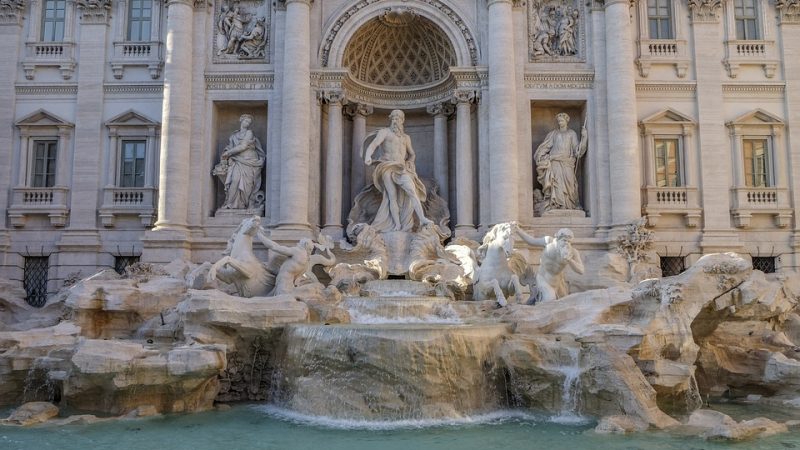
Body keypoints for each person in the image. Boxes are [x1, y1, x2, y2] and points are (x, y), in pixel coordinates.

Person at [362, 109, 433, 232]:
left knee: (412, 191)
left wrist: (410, 162)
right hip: (387, 166)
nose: (396, 121)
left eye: (398, 118)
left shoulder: (406, 138)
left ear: (402, 121)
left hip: (401, 168)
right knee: (392, 196)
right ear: (390, 119)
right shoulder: (384, 132)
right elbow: (373, 145)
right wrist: (368, 156)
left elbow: (412, 154)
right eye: (394, 118)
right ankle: (397, 225)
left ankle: (422, 218)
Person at [514, 225, 584, 303]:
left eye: (569, 242)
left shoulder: (573, 252)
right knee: (549, 299)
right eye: (564, 240)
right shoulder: (548, 241)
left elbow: (581, 270)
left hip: (558, 282)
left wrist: (570, 260)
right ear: (558, 239)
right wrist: (518, 231)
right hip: (543, 279)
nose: (566, 243)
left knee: (564, 304)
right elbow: (531, 241)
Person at [534, 112, 588, 211]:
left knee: (570, 183)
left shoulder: (572, 133)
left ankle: (570, 205)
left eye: (562, 120)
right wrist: (540, 155)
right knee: (556, 183)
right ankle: (557, 205)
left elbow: (577, 150)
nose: (560, 122)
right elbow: (546, 146)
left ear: (566, 121)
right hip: (555, 161)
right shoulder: (553, 133)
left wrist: (584, 138)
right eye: (558, 121)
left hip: (567, 162)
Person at [220, 114, 265, 210]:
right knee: (234, 181)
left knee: (247, 186)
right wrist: (226, 153)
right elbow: (230, 147)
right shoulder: (233, 136)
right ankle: (230, 204)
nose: (247, 123)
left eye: (249, 122)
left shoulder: (249, 133)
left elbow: (243, 146)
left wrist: (228, 153)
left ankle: (242, 205)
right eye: (245, 121)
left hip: (249, 161)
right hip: (237, 161)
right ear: (241, 121)